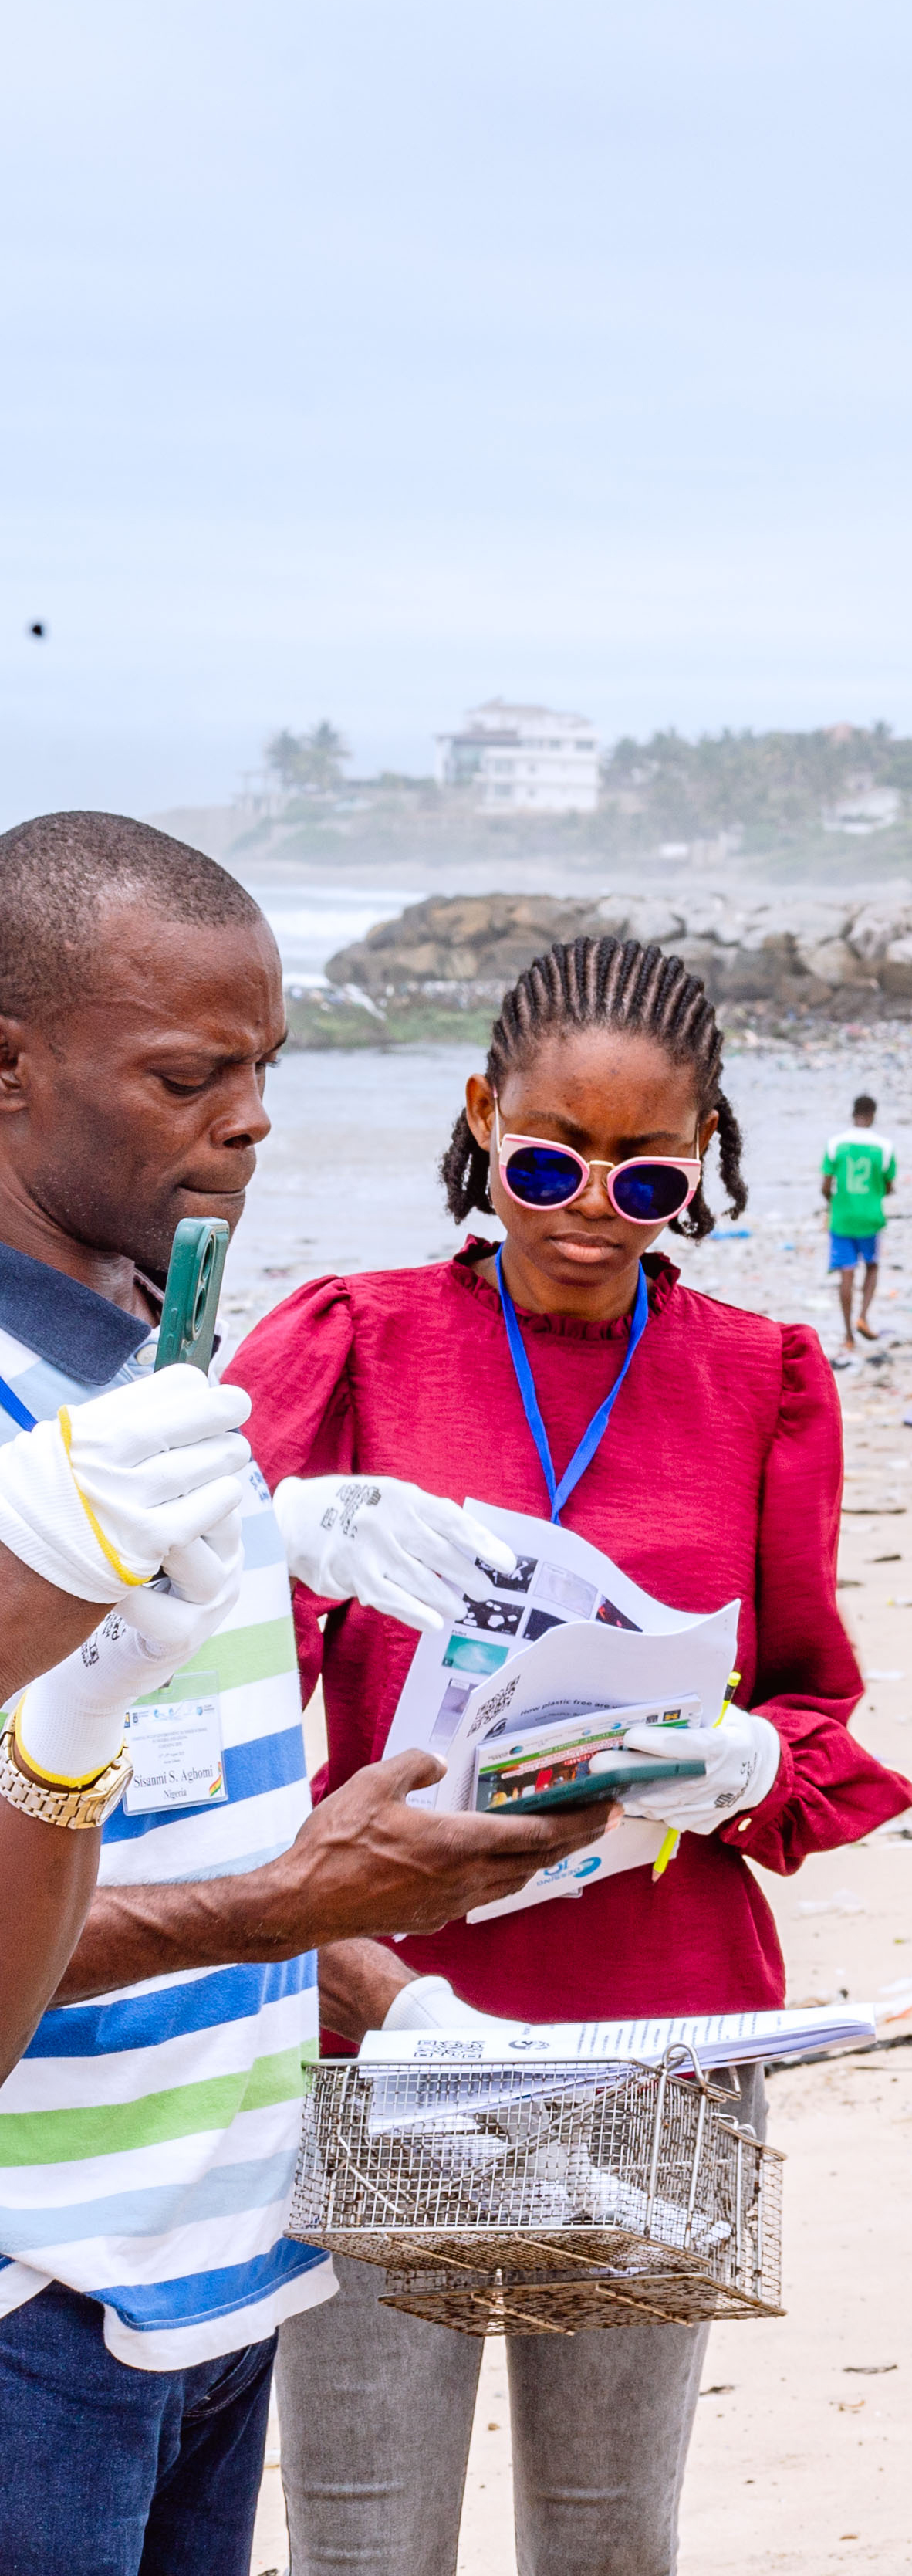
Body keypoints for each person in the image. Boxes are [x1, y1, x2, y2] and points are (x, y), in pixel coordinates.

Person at [232, 936, 912, 2576]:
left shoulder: (760, 1378)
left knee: (611, 2539)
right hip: (381, 2026)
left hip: (657, 2028)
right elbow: (178, 1646)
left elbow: (820, 1707)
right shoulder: (356, 1341)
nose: (589, 1205)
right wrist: (280, 1536)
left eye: (644, 1171)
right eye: (547, 1158)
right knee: (362, 2539)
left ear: (704, 1155)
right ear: (482, 1119)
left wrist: (755, 1761)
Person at [0, 812, 614, 2576]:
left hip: (218, 2259)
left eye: (267, 1064)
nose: (253, 1116)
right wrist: (296, 1897)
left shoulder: (161, 1369)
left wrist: (385, 1983)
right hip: (36, 2280)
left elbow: (190, 1807)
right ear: (8, 1067)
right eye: (192, 1073)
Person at [819, 1093, 897, 1354]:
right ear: (873, 1115)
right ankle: (863, 1315)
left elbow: (826, 1186)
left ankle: (849, 1336)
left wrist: (833, 1204)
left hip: (842, 1218)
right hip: (870, 1217)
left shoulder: (835, 1144)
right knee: (872, 1266)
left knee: (846, 1273)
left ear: (853, 1114)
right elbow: (888, 1186)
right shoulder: (884, 1147)